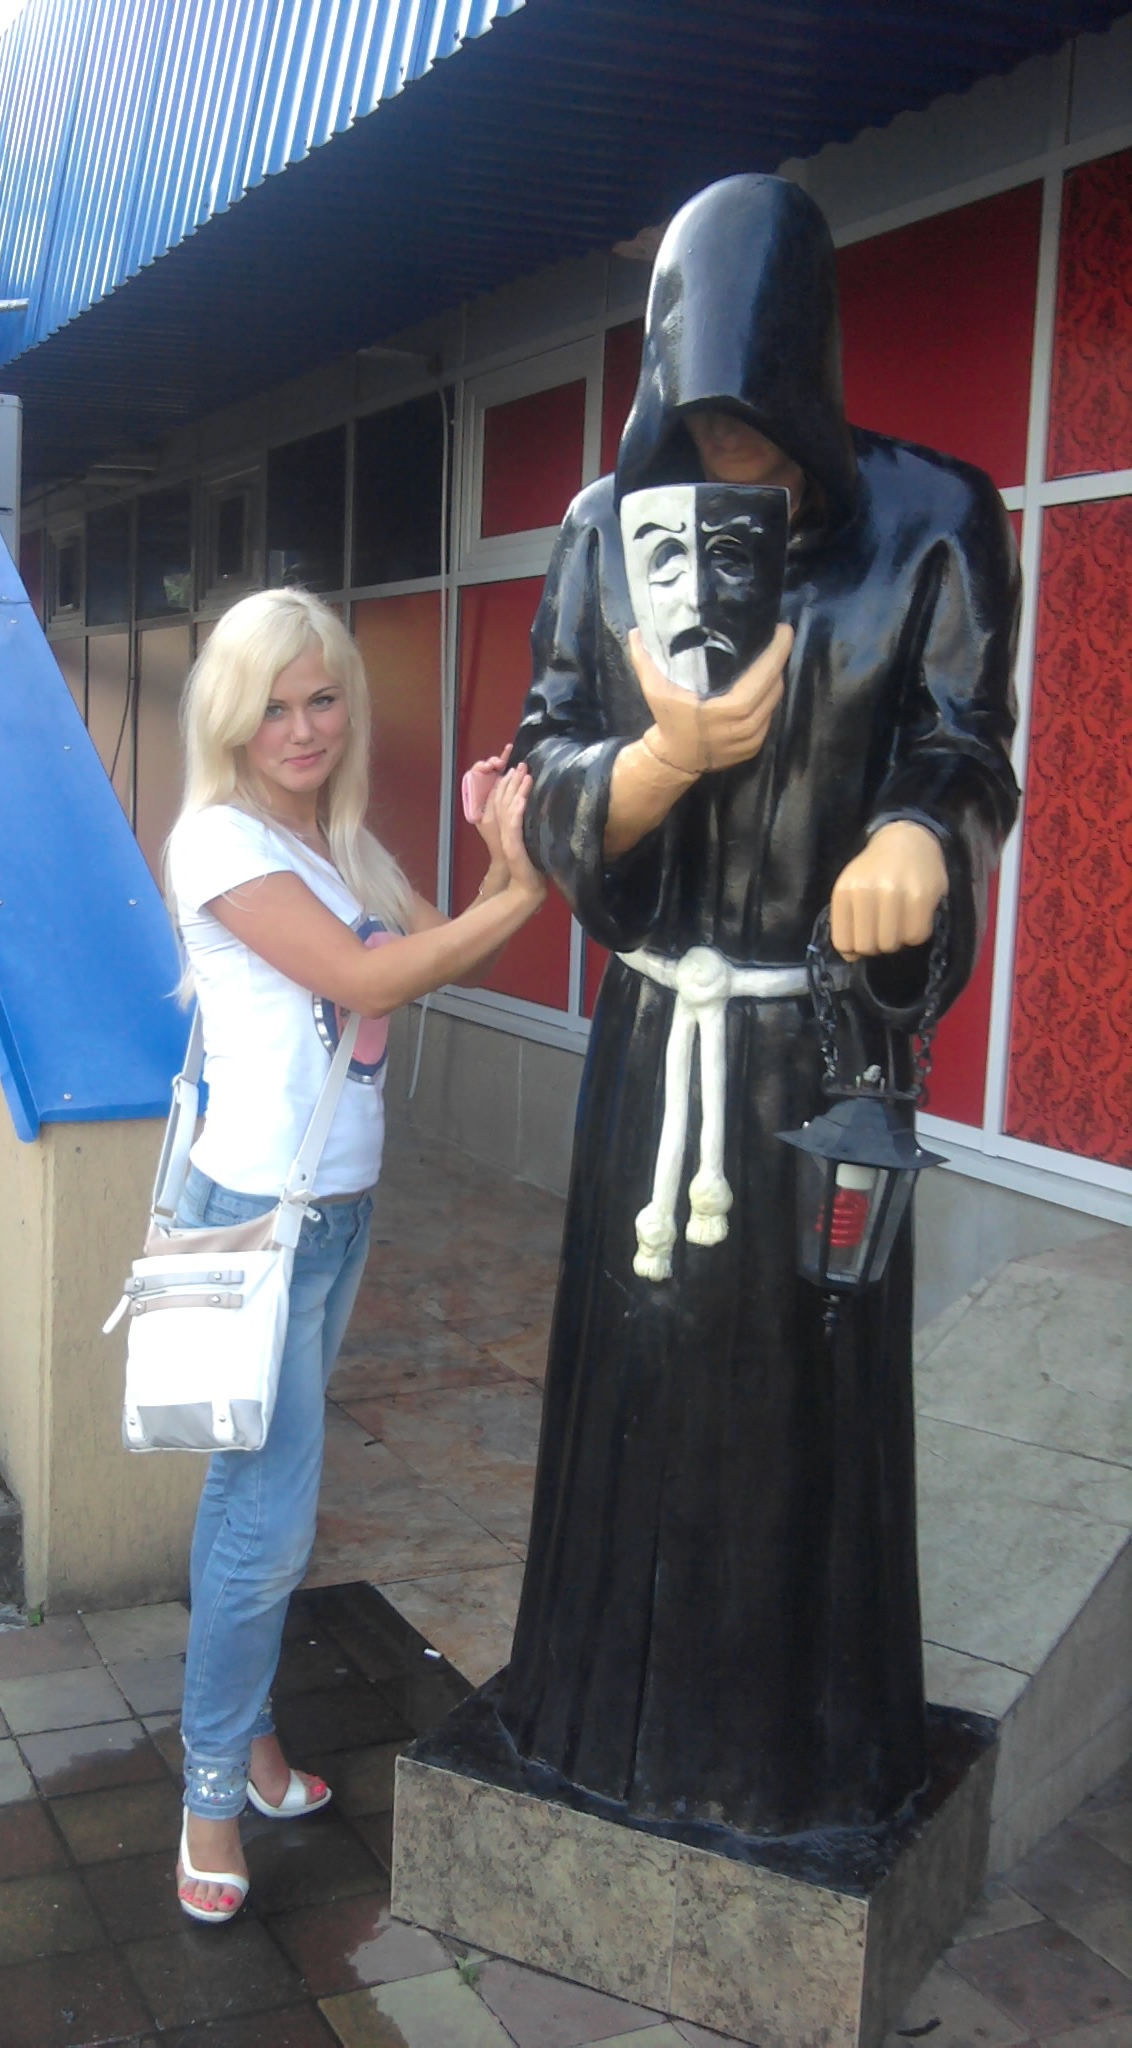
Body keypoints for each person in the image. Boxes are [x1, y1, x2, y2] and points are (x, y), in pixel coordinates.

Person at [499, 173, 1020, 1838]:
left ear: (810, 373)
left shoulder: (933, 518)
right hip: (655, 1043)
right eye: (701, 422)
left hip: (818, 1059)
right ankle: (594, 1726)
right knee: (636, 1375)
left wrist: (920, 837)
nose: (733, 458)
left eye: (761, 421)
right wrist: (661, 764)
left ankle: (793, 1759)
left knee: (801, 1409)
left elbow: (966, 746)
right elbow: (541, 756)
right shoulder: (606, 532)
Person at [163, 586, 546, 1918]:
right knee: (264, 1515)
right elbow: (373, 981)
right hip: (262, 1215)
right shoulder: (221, 840)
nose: (303, 726)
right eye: (273, 705)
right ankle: (211, 1790)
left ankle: (252, 1742)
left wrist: (503, 853)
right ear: (231, 716)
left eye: (323, 698)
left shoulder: (324, 838)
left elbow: (439, 950)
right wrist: (527, 888)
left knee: (259, 1498)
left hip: (333, 1212)